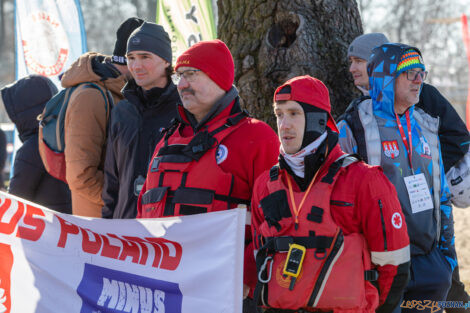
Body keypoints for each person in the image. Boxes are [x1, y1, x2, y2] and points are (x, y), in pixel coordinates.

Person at [136, 39, 280, 311]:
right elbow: (144, 208)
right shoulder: (167, 139)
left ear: (219, 79)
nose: (181, 84)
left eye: (192, 74)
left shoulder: (257, 137)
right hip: (164, 289)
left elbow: (277, 218)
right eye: (179, 75)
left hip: (228, 291)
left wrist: (248, 275)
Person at [250, 75, 410, 313]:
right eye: (279, 114)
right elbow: (259, 258)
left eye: (294, 113)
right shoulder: (265, 184)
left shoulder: (364, 180)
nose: (284, 124)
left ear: (318, 120)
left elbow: (394, 266)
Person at [342, 33, 470, 312]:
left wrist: (444, 259)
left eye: (421, 73)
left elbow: (442, 190)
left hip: (429, 263)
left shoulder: (425, 118)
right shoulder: (354, 124)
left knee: (456, 300)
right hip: (383, 262)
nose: (418, 80)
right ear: (386, 76)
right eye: (410, 73)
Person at [60, 17, 143, 217]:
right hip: (98, 229)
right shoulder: (91, 97)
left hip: (116, 222)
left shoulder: (123, 91)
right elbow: (81, 177)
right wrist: (126, 200)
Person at [102, 22, 179, 219]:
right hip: (125, 230)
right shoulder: (122, 111)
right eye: (131, 58)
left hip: (167, 232)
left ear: (166, 61)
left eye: (145, 57)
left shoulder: (184, 109)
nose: (136, 66)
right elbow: (112, 181)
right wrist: (107, 227)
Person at [1, 75, 71, 213]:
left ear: (21, 112)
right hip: (74, 227)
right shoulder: (69, 135)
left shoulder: (33, 148)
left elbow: (16, 201)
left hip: (45, 230)